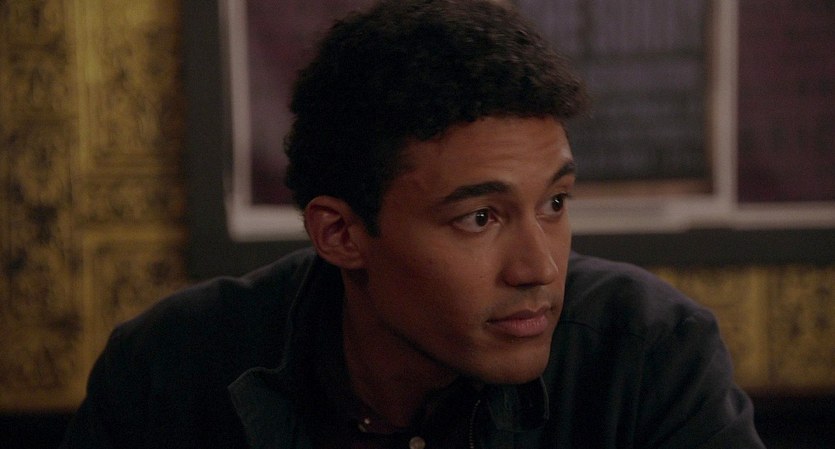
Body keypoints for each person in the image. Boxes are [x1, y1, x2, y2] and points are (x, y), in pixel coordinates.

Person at [61, 0, 765, 447]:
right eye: (480, 217)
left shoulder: (650, 354)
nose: (540, 267)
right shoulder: (168, 369)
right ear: (340, 234)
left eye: (554, 204)